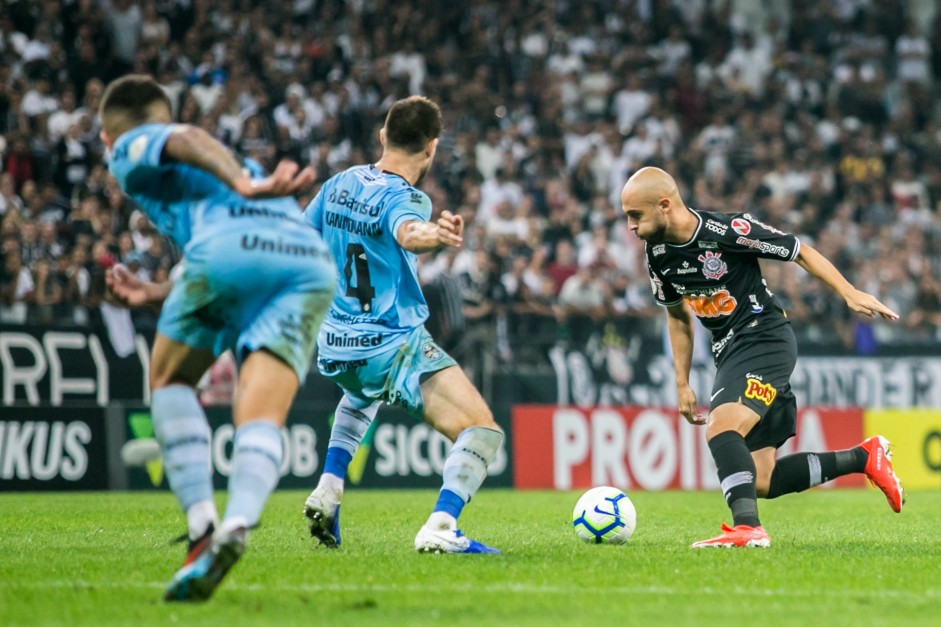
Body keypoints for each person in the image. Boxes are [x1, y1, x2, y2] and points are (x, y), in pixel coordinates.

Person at [100, 74, 336, 600]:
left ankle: (205, 528)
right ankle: (238, 525)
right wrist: (156, 291)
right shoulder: (230, 175)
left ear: (106, 136)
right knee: (260, 415)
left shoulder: (132, 146)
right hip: (305, 263)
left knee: (168, 377)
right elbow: (234, 248)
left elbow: (187, 139)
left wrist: (243, 183)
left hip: (235, 252)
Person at [621, 166, 904, 548]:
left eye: (635, 215)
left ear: (665, 205)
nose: (630, 227)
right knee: (762, 478)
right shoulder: (657, 255)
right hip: (731, 352)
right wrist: (682, 382)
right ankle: (864, 457)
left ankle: (747, 529)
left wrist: (849, 292)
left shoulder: (727, 231)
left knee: (722, 428)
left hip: (763, 337)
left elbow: (798, 251)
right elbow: (677, 315)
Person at [301, 95, 504, 554]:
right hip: (389, 345)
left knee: (362, 391)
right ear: (432, 148)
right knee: (482, 429)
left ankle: (329, 487)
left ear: (382, 136)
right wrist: (438, 233)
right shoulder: (407, 197)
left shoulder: (338, 183)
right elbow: (409, 229)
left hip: (335, 345)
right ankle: (442, 525)